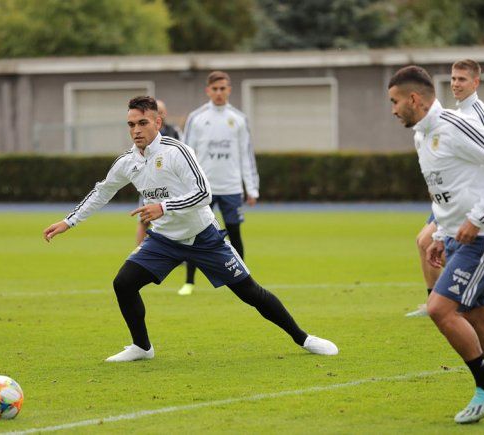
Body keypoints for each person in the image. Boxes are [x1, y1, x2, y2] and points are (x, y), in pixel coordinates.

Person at [43, 96, 337, 362]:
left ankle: (304, 338)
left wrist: (164, 207)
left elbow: (204, 194)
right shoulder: (127, 161)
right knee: (124, 283)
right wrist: (69, 221)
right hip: (163, 241)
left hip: (204, 237)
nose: (136, 130)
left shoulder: (177, 151)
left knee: (250, 292)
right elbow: (102, 191)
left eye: (143, 122)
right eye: (131, 124)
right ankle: (142, 348)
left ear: (158, 122)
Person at [388, 65, 484, 423]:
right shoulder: (421, 137)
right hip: (458, 237)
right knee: (476, 321)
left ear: (414, 99)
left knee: (441, 309)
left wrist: (476, 220)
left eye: (395, 101)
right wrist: (441, 235)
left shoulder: (456, 126)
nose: (393, 109)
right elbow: (448, 196)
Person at [408, 59, 484, 318]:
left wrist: (483, 210)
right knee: (424, 242)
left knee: (426, 241)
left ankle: (467, 288)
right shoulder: (457, 113)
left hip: (471, 200)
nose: (455, 84)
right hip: (451, 197)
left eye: (462, 79)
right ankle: (438, 299)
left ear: (476, 82)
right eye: (453, 79)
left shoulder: (482, 115)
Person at [176, 71, 259, 296]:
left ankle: (243, 282)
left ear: (229, 90)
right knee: (195, 233)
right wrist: (185, 186)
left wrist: (251, 188)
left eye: (223, 88)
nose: (219, 93)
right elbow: (186, 153)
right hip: (202, 190)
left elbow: (246, 155)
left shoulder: (239, 119)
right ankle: (189, 282)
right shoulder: (197, 117)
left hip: (231, 187)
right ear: (208, 90)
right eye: (215, 89)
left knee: (235, 233)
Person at [136, 99, 181, 246]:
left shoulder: (174, 132)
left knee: (176, 217)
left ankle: (180, 253)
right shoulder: (144, 133)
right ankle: (139, 251)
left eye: (161, 112)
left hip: (170, 184)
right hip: (149, 183)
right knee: (144, 220)